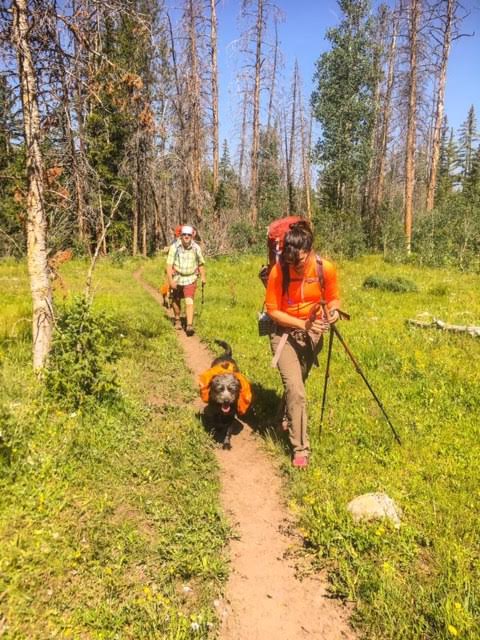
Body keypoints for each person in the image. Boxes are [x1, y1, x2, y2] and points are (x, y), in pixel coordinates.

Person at [265, 220, 340, 468]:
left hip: (313, 335)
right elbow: (273, 311)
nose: (294, 266)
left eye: (298, 261)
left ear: (308, 251)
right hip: (283, 333)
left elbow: (333, 299)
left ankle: (283, 417)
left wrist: (333, 312)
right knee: (296, 389)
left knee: (298, 384)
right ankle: (301, 449)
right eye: (289, 259)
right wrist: (301, 325)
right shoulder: (279, 270)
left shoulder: (325, 268)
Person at [166, 224, 206, 336]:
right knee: (176, 300)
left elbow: (201, 263)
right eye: (184, 234)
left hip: (191, 278)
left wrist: (203, 276)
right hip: (177, 277)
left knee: (189, 301)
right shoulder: (174, 247)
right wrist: (170, 280)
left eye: (189, 234)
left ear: (192, 236)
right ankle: (177, 319)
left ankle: (189, 325)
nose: (186, 236)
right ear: (181, 236)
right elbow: (169, 265)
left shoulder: (196, 248)